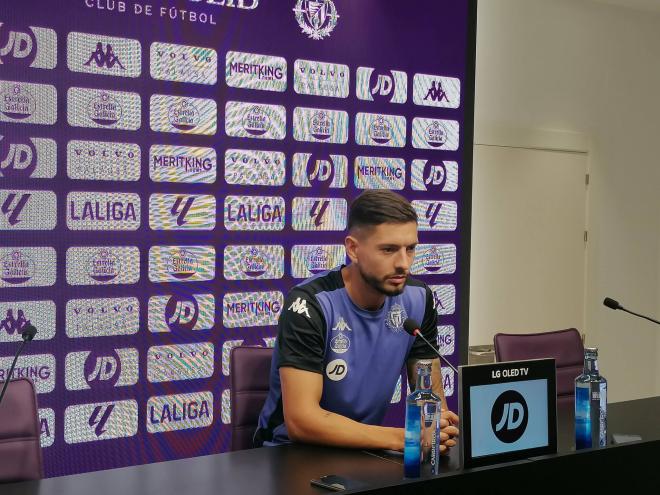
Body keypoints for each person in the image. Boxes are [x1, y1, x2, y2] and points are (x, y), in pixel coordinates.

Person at [254, 190, 459, 453]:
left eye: (410, 249)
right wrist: (403, 437)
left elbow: (429, 401)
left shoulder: (419, 300)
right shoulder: (310, 303)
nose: (404, 263)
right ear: (353, 249)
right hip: (290, 454)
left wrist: (436, 428)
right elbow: (301, 421)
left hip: (364, 452)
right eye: (388, 250)